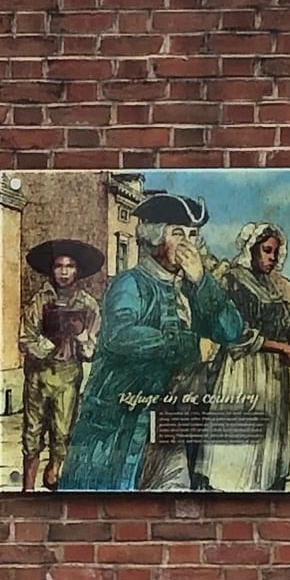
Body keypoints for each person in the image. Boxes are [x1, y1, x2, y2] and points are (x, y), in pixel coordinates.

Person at [60, 193, 244, 492]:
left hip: (175, 423)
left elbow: (231, 331)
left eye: (193, 235)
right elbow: (120, 335)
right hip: (126, 424)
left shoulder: (194, 287)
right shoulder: (130, 283)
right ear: (154, 238)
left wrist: (202, 283)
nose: (188, 244)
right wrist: (184, 344)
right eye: (178, 233)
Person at [195, 222, 290, 493]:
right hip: (243, 370)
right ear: (252, 249)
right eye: (267, 251)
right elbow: (236, 334)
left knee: (268, 439)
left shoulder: (270, 284)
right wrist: (283, 348)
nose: (272, 258)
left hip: (271, 372)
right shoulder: (234, 280)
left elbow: (285, 323)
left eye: (276, 253)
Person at [18, 238, 102, 491]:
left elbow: (92, 348)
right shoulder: (40, 300)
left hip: (67, 376)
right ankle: (27, 488)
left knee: (63, 433)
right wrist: (49, 342)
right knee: (32, 434)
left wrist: (82, 338)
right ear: (52, 269)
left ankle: (55, 475)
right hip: (39, 376)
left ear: (78, 270)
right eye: (58, 266)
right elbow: (25, 339)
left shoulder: (88, 304)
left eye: (70, 266)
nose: (64, 272)